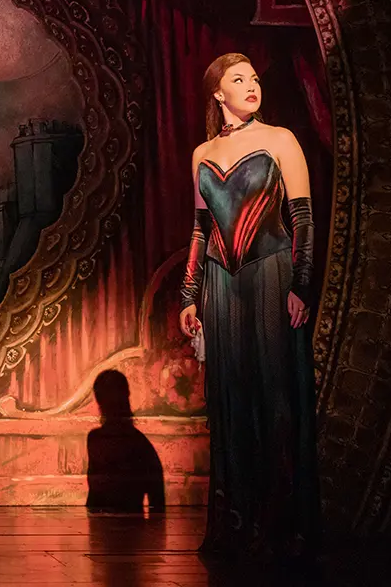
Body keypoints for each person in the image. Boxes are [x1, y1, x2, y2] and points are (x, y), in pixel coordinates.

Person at [179, 53, 320, 562]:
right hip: (221, 280)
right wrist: (188, 295)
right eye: (239, 79)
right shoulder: (201, 154)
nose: (252, 85)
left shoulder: (281, 140)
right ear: (219, 94)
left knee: (276, 396)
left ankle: (281, 526)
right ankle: (235, 522)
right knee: (231, 399)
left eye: (256, 77)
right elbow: (200, 229)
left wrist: (301, 285)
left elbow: (303, 219)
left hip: (272, 273)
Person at [86, 369, 166, 514]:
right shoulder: (141, 444)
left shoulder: (95, 440)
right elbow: (158, 502)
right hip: (130, 531)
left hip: (108, 531)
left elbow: (94, 497)